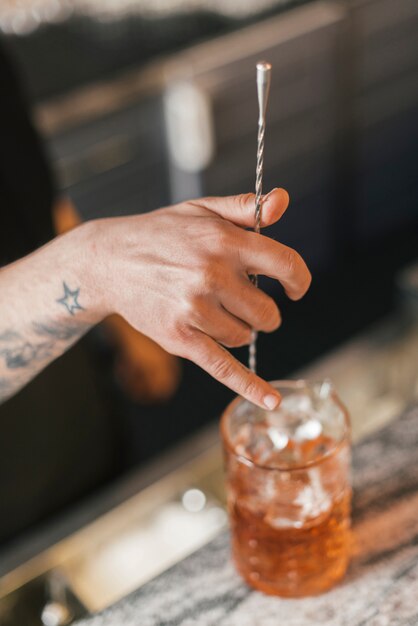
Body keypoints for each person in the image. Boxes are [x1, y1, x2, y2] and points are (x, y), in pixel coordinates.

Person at [0, 188, 311, 409]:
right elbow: (92, 265)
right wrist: (97, 269)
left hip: (87, 398)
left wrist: (125, 323)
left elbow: (42, 199)